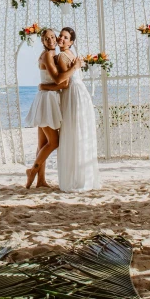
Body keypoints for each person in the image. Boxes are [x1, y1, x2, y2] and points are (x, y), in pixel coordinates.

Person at [53, 26, 102, 192]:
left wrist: (76, 66)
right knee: (73, 131)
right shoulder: (60, 56)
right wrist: (75, 67)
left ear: (71, 42)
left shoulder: (71, 54)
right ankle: (74, 177)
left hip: (80, 94)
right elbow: (61, 79)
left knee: (82, 133)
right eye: (60, 36)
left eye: (65, 37)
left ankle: (84, 176)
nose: (61, 39)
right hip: (71, 94)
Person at [24, 29, 63, 188]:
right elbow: (59, 81)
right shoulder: (48, 55)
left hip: (46, 97)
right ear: (42, 41)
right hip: (46, 100)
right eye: (47, 39)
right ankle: (32, 170)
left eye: (52, 37)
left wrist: (44, 86)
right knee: (54, 142)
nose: (50, 40)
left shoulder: (52, 55)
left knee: (42, 144)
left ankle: (40, 180)